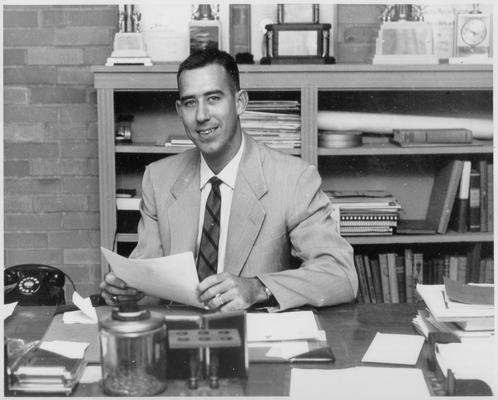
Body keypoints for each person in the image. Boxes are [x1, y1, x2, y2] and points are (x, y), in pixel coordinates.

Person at [100, 49, 358, 312]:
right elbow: (147, 275)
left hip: (255, 338)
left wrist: (258, 288)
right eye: (190, 102)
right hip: (180, 336)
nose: (201, 115)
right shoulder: (158, 179)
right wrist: (128, 289)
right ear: (180, 110)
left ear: (240, 102)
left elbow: (340, 275)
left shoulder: (294, 179)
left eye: (213, 98)